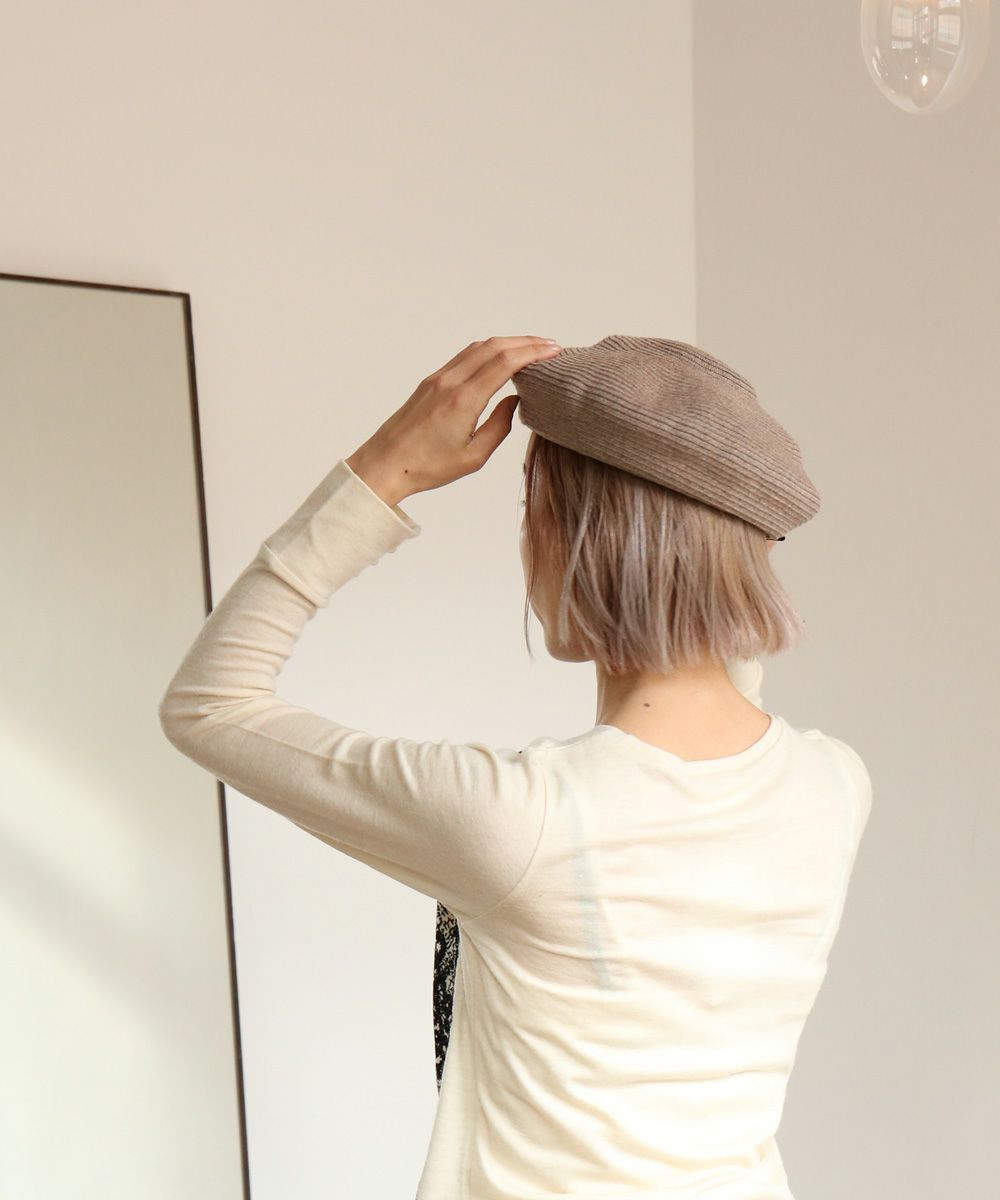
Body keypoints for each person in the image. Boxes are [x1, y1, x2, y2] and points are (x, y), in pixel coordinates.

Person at [159, 334, 872, 1200]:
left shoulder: (518, 817)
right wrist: (716, 523)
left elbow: (208, 704)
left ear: (573, 540)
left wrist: (383, 472)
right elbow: (721, 696)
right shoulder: (834, 786)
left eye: (530, 508)